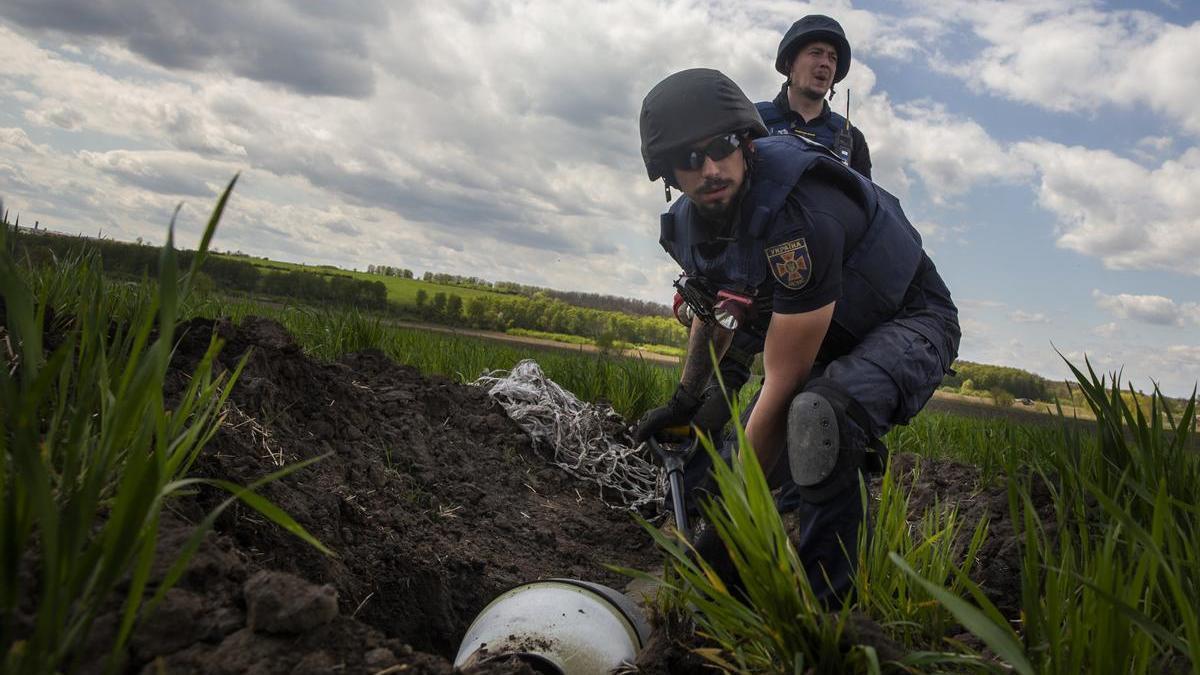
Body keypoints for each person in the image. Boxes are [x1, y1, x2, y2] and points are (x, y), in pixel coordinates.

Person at [634, 68, 959, 605]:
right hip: (822, 335)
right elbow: (714, 313)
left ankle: (825, 615)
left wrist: (737, 517)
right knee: (721, 463)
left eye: (721, 148)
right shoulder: (693, 223)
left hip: (908, 319)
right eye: (690, 159)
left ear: (746, 142)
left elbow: (783, 381)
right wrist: (685, 401)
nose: (710, 169)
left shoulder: (797, 213)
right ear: (667, 173)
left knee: (820, 417)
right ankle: (727, 590)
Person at [757, 14, 871, 179]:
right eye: (816, 53)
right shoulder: (753, 120)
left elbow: (866, 202)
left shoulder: (851, 138)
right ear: (790, 63)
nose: (825, 63)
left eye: (833, 58)